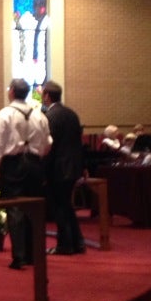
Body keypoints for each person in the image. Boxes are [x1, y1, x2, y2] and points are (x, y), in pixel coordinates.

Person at [0, 78, 51, 270]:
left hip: (14, 165)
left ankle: (19, 257)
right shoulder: (40, 116)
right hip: (35, 165)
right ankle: (35, 255)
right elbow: (48, 143)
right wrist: (37, 155)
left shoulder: (4, 115)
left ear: (11, 92)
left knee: (15, 209)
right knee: (34, 208)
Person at [41, 80, 85, 255]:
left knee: (60, 207)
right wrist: (83, 167)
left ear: (47, 96)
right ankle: (78, 242)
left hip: (59, 169)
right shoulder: (72, 114)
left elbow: (50, 146)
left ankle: (65, 245)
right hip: (73, 167)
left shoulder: (51, 117)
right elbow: (78, 144)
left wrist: (43, 171)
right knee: (66, 206)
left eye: (43, 94)